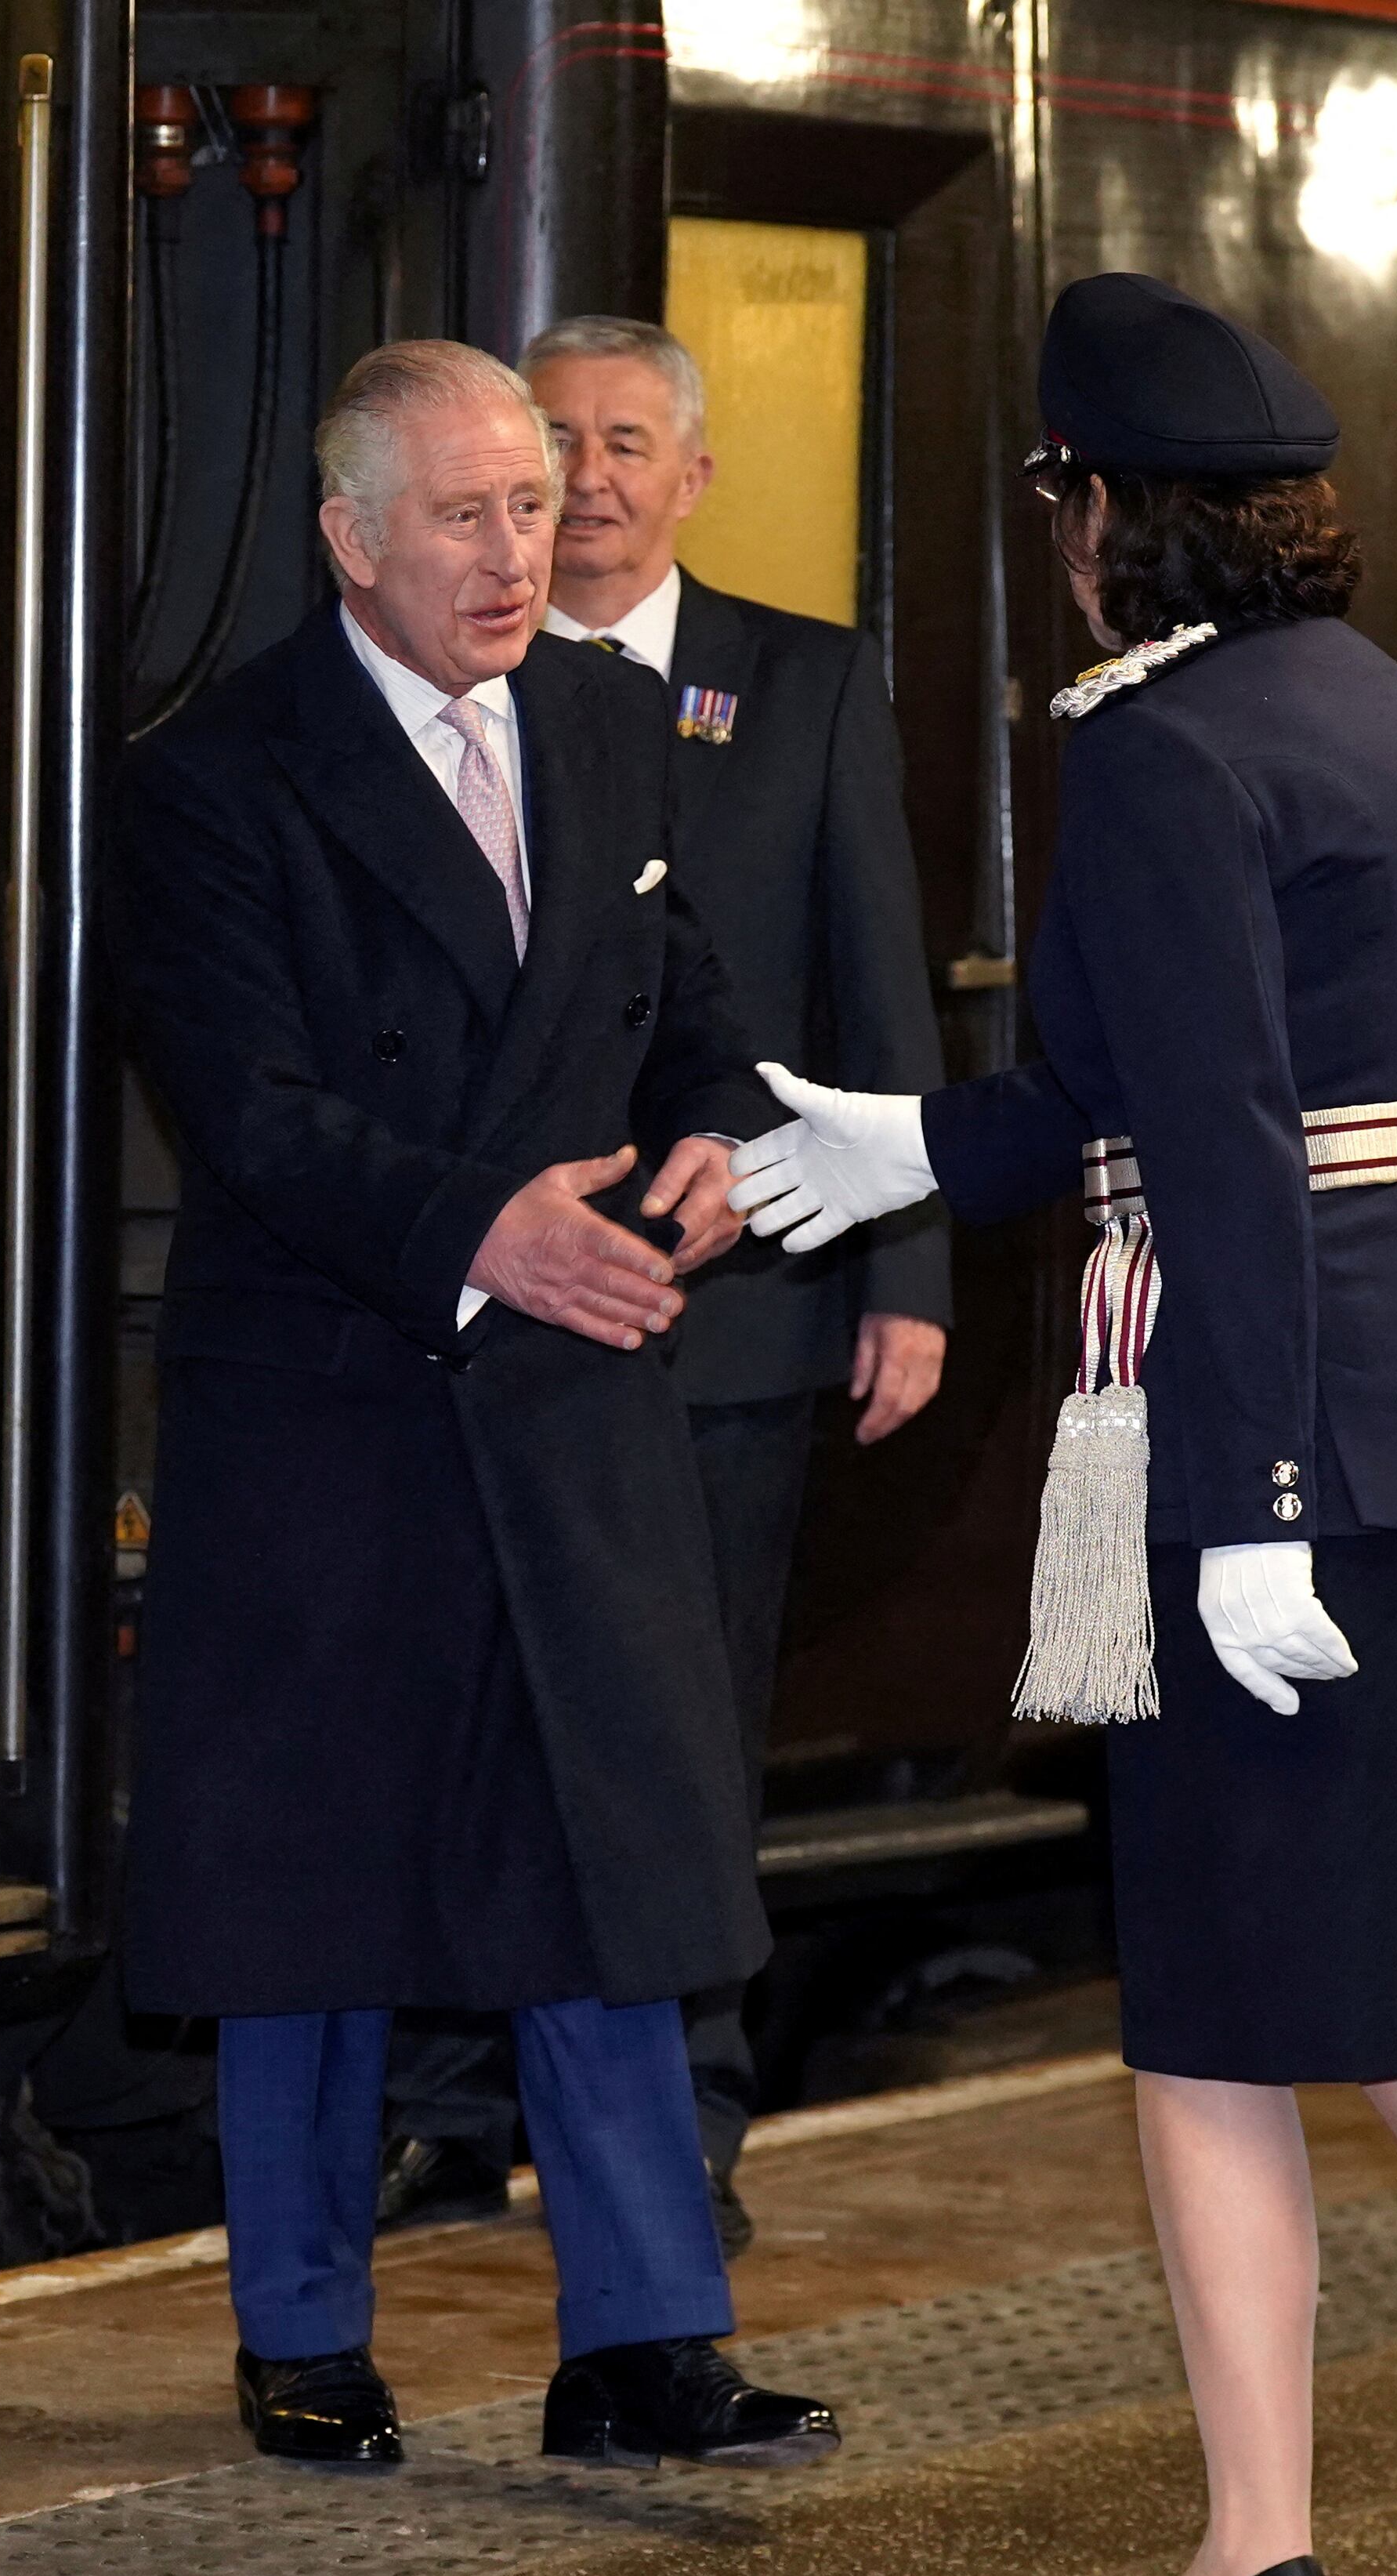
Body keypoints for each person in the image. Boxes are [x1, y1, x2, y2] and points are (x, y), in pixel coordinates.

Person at [726, 274, 1397, 2576]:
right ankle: (1304, 2554)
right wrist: (913, 1143)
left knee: (1354, 2033)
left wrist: (1258, 1500)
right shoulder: (1391, 715)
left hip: (1270, 1438)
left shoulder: (1159, 747)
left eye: (1060, 499)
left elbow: (1217, 1140)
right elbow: (1188, 1092)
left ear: (1104, 511)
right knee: (1317, 2008)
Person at [124, 337, 839, 2478]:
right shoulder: (217, 771)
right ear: (349, 538)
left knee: (606, 1868)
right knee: (311, 1891)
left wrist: (721, 1138)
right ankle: (303, 2330)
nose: (522, 549)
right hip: (337, 1397)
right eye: (466, 515)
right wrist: (479, 1229)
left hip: (570, 1387)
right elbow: (250, 1110)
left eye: (532, 506)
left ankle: (644, 2338)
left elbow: (689, 1007)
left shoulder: (609, 725)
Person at [371, 313, 953, 2255]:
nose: (590, 479)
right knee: (473, 1697)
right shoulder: (447, 679)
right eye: (555, 445)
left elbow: (874, 982)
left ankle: (687, 2118)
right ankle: (452, 2109)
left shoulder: (803, 680)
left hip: (736, 1296)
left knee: (686, 1728)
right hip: (490, 1295)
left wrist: (906, 1269)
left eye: (627, 443)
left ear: (693, 476)